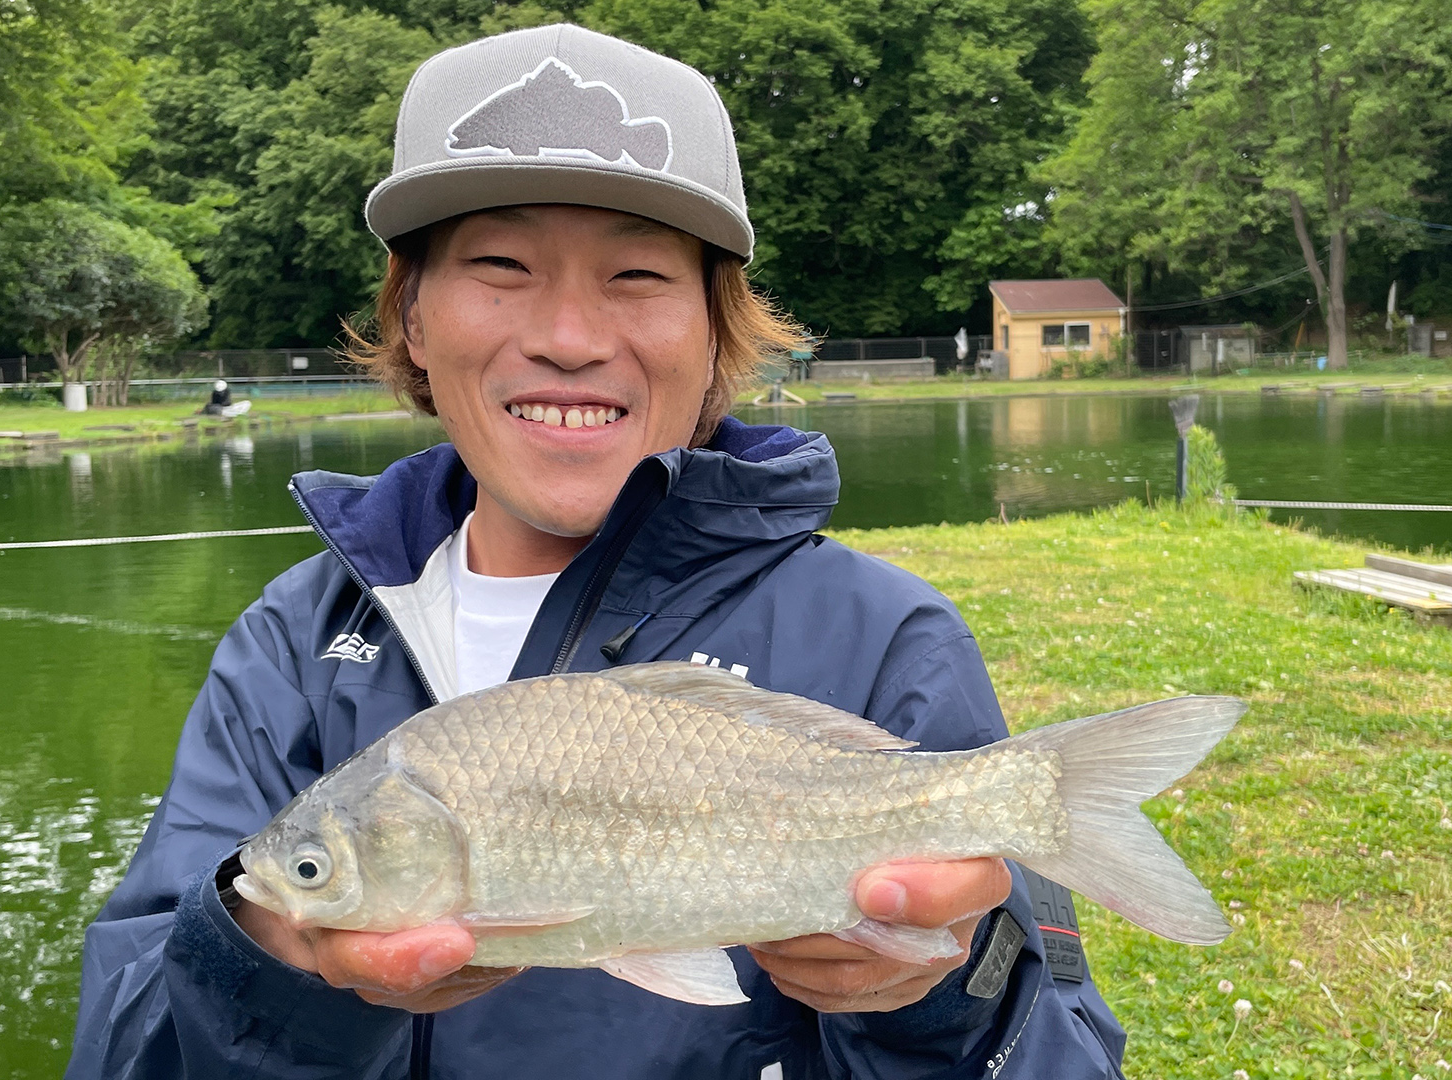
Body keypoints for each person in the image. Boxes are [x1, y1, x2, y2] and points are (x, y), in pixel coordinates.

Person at [68, 24, 1126, 1079]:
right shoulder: (292, 647)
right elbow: (122, 1050)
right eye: (500, 264)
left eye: (635, 273)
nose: (570, 335)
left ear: (719, 332)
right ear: (415, 320)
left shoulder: (887, 639)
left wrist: (937, 992)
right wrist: (272, 976)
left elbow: (1060, 1059)